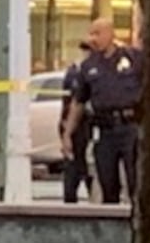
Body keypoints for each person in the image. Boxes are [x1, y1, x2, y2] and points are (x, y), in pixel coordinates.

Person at [62, 17, 145, 205]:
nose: (93, 38)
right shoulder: (89, 66)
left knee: (135, 181)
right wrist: (68, 133)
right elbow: (79, 102)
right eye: (91, 34)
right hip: (105, 131)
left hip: (130, 127)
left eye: (97, 33)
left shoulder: (133, 58)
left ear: (110, 33)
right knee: (108, 181)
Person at [60, 43, 95, 204]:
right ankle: (70, 199)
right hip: (77, 126)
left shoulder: (100, 71)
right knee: (73, 167)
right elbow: (70, 102)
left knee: (92, 168)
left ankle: (95, 198)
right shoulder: (75, 73)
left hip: (93, 125)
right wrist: (65, 128)